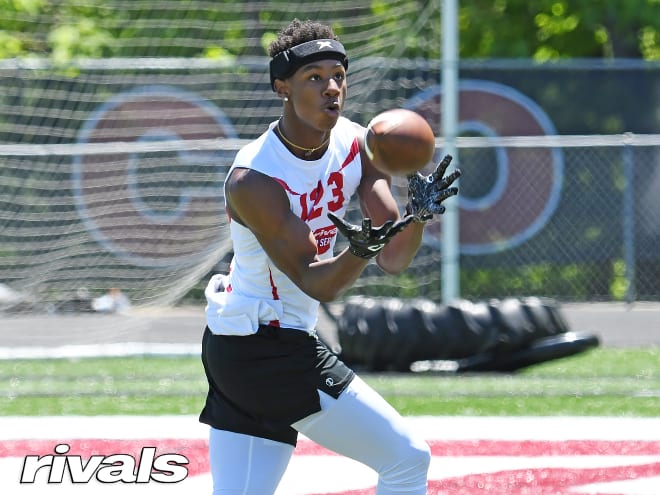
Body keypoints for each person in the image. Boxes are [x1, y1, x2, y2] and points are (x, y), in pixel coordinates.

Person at [200, 18, 460, 495]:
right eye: (314, 77)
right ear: (282, 86)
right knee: (407, 458)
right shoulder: (253, 178)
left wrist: (417, 215)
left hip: (246, 343)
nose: (331, 89)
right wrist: (360, 250)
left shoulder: (359, 143)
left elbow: (394, 258)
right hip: (265, 344)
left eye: (338, 75)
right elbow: (317, 281)